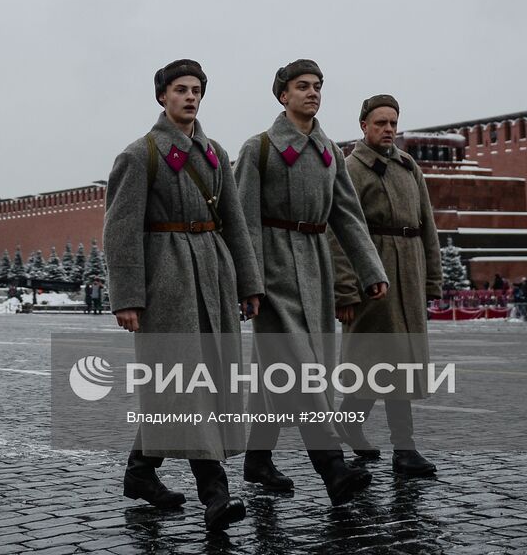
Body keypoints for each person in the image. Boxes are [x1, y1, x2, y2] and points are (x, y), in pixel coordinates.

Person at [106, 58, 263, 531]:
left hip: (213, 276)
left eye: (196, 90)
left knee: (197, 383)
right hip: (169, 281)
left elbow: (234, 221)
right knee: (184, 384)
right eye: (180, 89)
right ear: (162, 97)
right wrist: (127, 296)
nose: (190, 97)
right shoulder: (141, 155)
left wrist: (249, 282)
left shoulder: (215, 152)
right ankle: (215, 495)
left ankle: (140, 471)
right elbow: (120, 231)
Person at [234, 60, 384, 505]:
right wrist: (249, 283)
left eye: (317, 86)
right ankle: (332, 469)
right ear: (283, 94)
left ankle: (257, 459)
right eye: (302, 86)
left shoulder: (330, 154)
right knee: (300, 372)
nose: (313, 93)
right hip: (274, 271)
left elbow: (347, 217)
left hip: (315, 269)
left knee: (277, 373)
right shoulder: (258, 149)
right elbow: (242, 223)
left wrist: (370, 270)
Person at [329, 94, 441, 477]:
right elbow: (338, 232)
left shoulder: (409, 166)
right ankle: (404, 449)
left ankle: (351, 422)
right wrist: (344, 288)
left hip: (407, 274)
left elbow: (427, 226)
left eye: (393, 122)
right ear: (364, 126)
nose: (389, 129)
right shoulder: (350, 169)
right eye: (380, 123)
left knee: (399, 362)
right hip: (371, 277)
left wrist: (432, 280)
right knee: (381, 363)